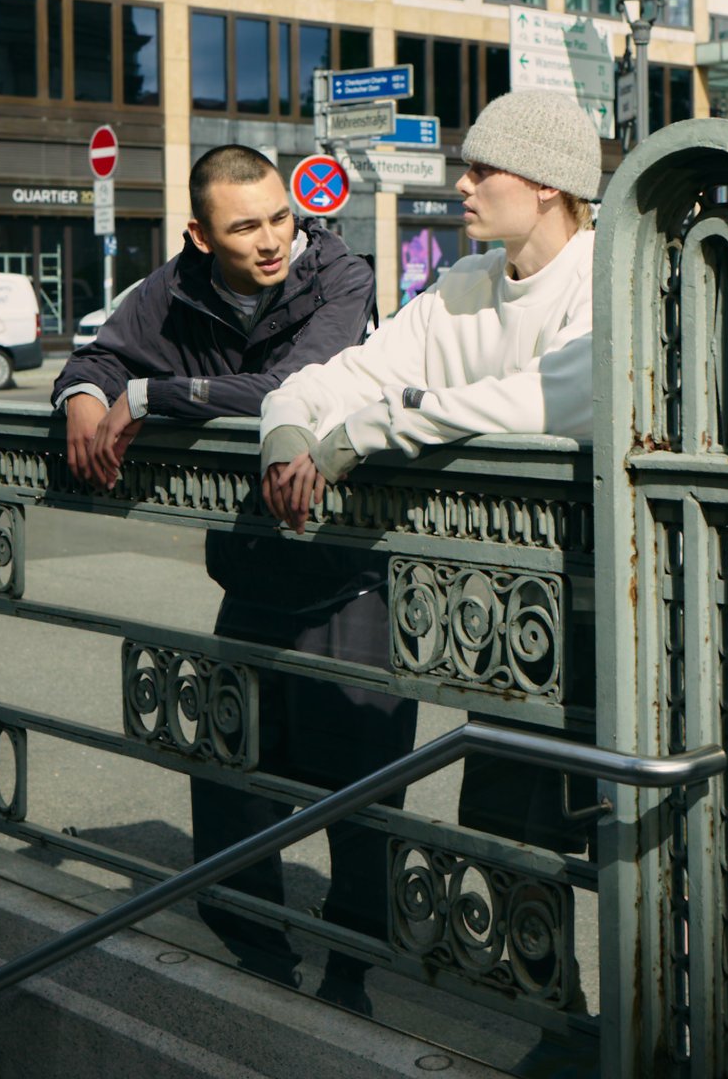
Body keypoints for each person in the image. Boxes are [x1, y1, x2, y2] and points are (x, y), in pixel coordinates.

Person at [52, 144, 417, 1010]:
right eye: (245, 227)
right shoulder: (177, 286)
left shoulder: (340, 275)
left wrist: (151, 398)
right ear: (199, 235)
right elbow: (101, 356)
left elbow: (296, 387)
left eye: (281, 218)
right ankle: (259, 965)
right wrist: (84, 398)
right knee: (231, 775)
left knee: (361, 798)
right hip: (251, 574)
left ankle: (352, 976)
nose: (272, 241)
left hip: (348, 575)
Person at [260, 90, 601, 858]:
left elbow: (548, 399)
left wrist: (371, 428)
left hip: (605, 608)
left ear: (547, 183)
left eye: (482, 169)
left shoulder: (603, 279)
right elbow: (345, 374)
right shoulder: (464, 287)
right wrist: (286, 430)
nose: (461, 184)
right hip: (504, 608)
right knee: (505, 841)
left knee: (625, 851)